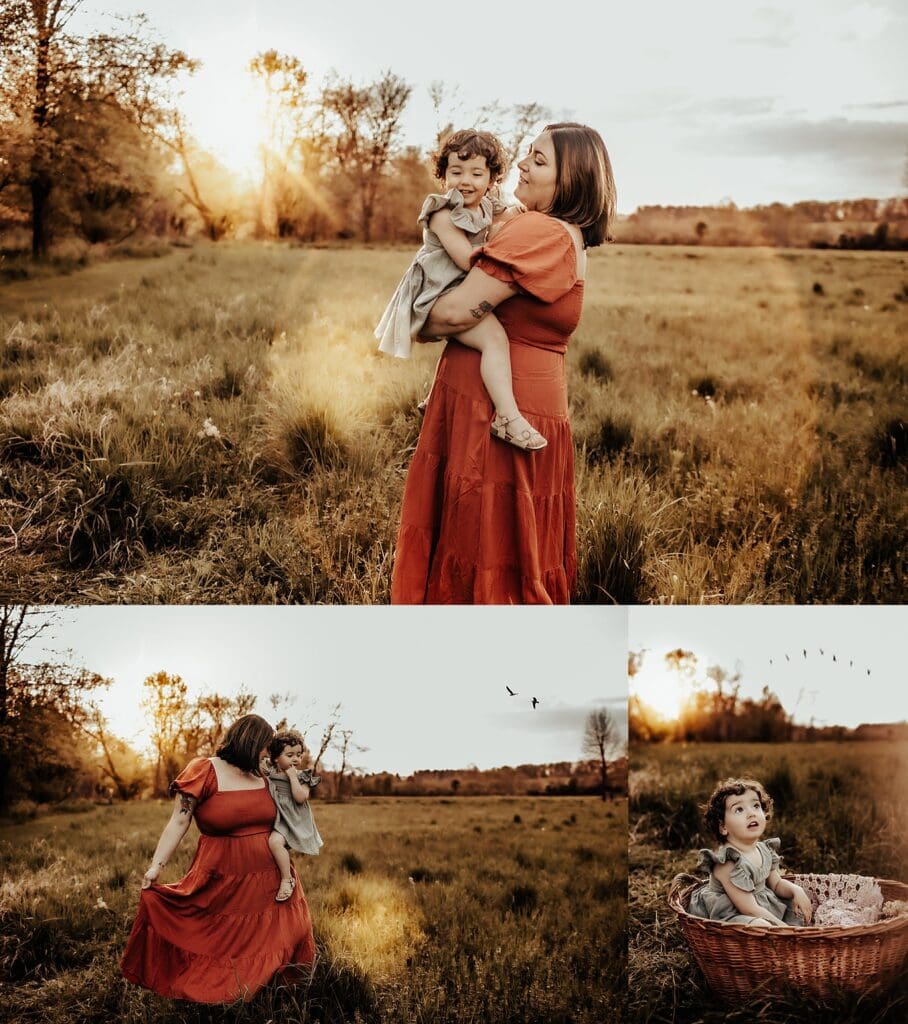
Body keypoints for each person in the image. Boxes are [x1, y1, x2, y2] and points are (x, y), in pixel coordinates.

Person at [391, 122, 616, 604]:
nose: (521, 165)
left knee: (488, 551)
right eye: (527, 155)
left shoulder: (540, 230)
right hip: (514, 405)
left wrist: (422, 320)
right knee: (513, 551)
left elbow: (451, 312)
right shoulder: (558, 232)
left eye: (538, 160)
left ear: (570, 179)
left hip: (492, 415)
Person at [120, 715, 316, 1003]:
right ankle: (221, 991)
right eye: (265, 745)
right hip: (221, 877)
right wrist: (156, 866)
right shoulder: (204, 770)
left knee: (278, 938)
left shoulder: (263, 775)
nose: (268, 752)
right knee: (217, 937)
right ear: (249, 742)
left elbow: (292, 809)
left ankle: (270, 995)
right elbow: (179, 821)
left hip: (269, 878)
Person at [375, 128, 546, 450]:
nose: (465, 180)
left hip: (458, 289)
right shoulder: (441, 212)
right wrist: (502, 245)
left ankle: (435, 398)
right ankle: (507, 417)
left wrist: (530, 216)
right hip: (435, 293)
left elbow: (512, 215)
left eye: (476, 173)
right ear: (443, 175)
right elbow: (467, 260)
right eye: (456, 171)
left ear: (492, 179)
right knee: (494, 339)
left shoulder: (486, 206)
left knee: (470, 343)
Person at [687, 777, 812, 927]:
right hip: (729, 915)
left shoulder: (764, 849)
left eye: (756, 806)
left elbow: (776, 884)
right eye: (739, 809)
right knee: (761, 925)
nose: (751, 813)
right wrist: (783, 929)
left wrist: (795, 890)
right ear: (723, 827)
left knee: (800, 903)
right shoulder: (728, 862)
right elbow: (749, 909)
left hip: (759, 907)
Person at [266, 730, 323, 902]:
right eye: (289, 755)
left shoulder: (302, 776)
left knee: (274, 843)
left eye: (298, 754)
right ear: (276, 758)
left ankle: (286, 879)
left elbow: (300, 798)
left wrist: (292, 778)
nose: (296, 759)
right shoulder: (269, 772)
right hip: (274, 817)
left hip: (291, 819)